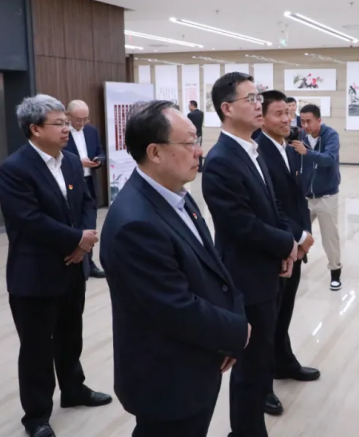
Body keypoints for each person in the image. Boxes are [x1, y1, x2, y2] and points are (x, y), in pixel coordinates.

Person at [100, 100, 249, 437]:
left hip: (199, 358)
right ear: (154, 152)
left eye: (198, 141)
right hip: (166, 379)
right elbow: (173, 307)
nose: (199, 151)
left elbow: (213, 267)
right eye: (189, 143)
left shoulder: (176, 194)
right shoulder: (135, 223)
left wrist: (227, 335)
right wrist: (237, 331)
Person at [0, 95, 111, 437]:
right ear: (35, 129)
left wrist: (83, 241)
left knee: (70, 335)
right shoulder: (14, 169)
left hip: (72, 267)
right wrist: (76, 239)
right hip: (35, 274)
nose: (67, 129)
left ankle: (73, 390)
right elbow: (29, 220)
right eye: (59, 123)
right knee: (36, 348)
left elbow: (87, 203)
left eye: (66, 123)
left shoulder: (71, 162)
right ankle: (36, 416)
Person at [202, 72, 298, 437]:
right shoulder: (221, 159)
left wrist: (286, 244)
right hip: (246, 276)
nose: (259, 104)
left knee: (260, 361)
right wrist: (285, 244)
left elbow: (273, 207)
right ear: (227, 109)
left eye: (259, 98)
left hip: (267, 268)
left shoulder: (251, 149)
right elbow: (240, 224)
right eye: (251, 99)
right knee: (250, 365)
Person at [255, 90, 321, 416]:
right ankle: (262, 383)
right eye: (278, 114)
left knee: (285, 310)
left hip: (294, 244)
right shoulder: (258, 150)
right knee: (267, 317)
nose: (286, 120)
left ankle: (283, 361)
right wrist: (297, 236)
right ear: (262, 117)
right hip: (275, 245)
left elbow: (299, 197)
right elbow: (271, 206)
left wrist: (304, 235)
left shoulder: (289, 147)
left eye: (288, 113)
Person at [292, 104, 343, 290]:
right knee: (297, 233)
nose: (305, 125)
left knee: (330, 237)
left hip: (326, 196)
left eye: (309, 121)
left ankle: (335, 272)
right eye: (302, 121)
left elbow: (329, 159)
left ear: (319, 120)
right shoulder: (300, 136)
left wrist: (307, 152)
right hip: (305, 197)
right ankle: (294, 268)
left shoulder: (331, 135)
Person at [65, 99, 106, 278]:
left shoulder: (91, 131)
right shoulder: (62, 132)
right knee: (73, 223)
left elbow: (100, 151)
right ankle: (75, 261)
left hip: (89, 181)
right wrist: (77, 162)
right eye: (78, 119)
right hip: (70, 183)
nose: (81, 123)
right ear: (68, 115)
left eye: (85, 119)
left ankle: (89, 262)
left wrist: (98, 160)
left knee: (90, 223)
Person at [188, 100, 205, 169]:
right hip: (199, 134)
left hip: (193, 135)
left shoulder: (190, 115)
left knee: (191, 150)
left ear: (192, 105)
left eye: (189, 105)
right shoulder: (201, 113)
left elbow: (189, 125)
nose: (189, 107)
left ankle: (192, 165)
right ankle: (200, 166)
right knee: (198, 149)